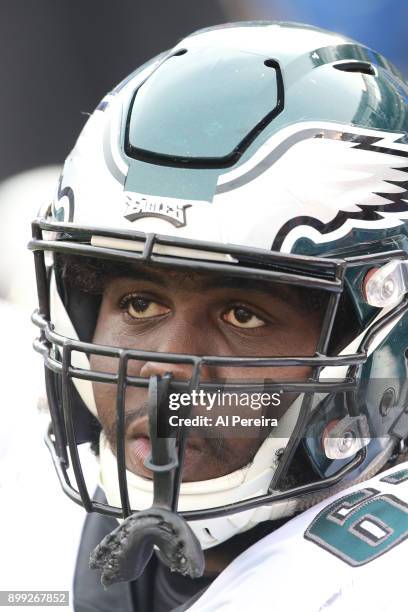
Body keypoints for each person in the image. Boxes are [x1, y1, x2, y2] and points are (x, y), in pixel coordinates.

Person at [29, 21, 408, 611]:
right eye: (139, 303)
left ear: (374, 342)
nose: (168, 370)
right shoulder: (33, 526)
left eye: (243, 314)